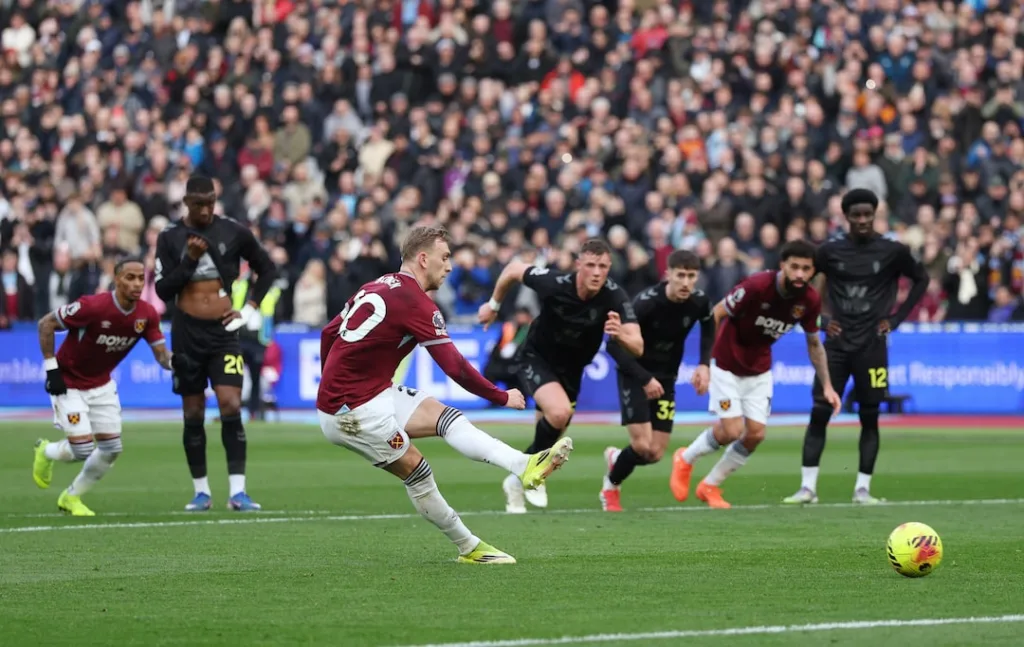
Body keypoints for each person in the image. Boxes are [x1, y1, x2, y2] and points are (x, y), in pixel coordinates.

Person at [317, 226, 573, 564]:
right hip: (354, 412)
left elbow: (328, 332)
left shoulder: (378, 284)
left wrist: (333, 381)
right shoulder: (416, 303)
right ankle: (469, 547)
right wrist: (500, 397)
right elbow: (455, 366)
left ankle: (524, 465)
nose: (449, 266)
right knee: (417, 471)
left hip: (365, 395)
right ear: (424, 259)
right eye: (445, 257)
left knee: (446, 417)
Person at [669, 240, 843, 509]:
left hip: (759, 369)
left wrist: (828, 386)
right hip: (726, 362)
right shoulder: (756, 286)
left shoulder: (809, 300)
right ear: (782, 266)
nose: (799, 273)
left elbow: (813, 343)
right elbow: (715, 314)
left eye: (806, 269)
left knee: (756, 434)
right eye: (794, 267)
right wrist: (704, 363)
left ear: (812, 272)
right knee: (732, 430)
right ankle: (685, 458)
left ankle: (710, 485)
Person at [784, 189, 928, 505]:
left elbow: (921, 279)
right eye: (856, 215)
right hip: (834, 346)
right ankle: (807, 488)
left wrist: (897, 318)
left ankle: (862, 489)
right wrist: (820, 318)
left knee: (870, 416)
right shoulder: (828, 252)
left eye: (867, 214)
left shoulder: (893, 250)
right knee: (819, 413)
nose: (862, 220)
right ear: (845, 216)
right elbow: (800, 283)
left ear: (875, 215)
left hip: (873, 347)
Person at [478, 238, 644, 513]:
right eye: (590, 265)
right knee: (559, 414)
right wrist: (494, 306)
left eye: (603, 266)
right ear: (579, 265)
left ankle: (517, 480)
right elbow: (512, 269)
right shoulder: (554, 283)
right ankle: (532, 471)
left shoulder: (615, 296)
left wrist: (621, 335)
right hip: (537, 358)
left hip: (572, 371)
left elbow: (637, 346)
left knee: (551, 433)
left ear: (609, 268)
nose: (596, 272)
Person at [154, 176, 277, 512]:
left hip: (224, 333)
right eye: (199, 204)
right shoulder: (169, 237)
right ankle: (201, 492)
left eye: (211, 202)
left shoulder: (233, 231)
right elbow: (164, 291)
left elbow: (267, 269)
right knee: (192, 410)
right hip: (186, 334)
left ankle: (238, 492)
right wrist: (190, 260)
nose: (206, 210)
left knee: (231, 405)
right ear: (186, 203)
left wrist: (250, 309)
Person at [32, 258, 171, 516]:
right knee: (83, 449)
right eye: (130, 278)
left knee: (111, 449)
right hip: (69, 382)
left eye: (141, 278)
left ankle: (71, 497)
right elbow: (46, 324)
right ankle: (46, 451)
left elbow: (162, 356)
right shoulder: (92, 307)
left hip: (102, 384)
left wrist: (181, 364)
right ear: (116, 279)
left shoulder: (147, 314)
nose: (137, 284)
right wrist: (51, 370)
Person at [602, 250, 714, 511]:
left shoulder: (699, 301)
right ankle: (610, 487)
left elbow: (709, 329)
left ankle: (617, 458)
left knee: (654, 454)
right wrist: (645, 378)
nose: (686, 282)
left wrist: (704, 365)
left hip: (666, 379)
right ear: (668, 274)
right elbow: (613, 346)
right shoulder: (645, 303)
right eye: (681, 275)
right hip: (635, 374)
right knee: (642, 446)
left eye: (691, 276)